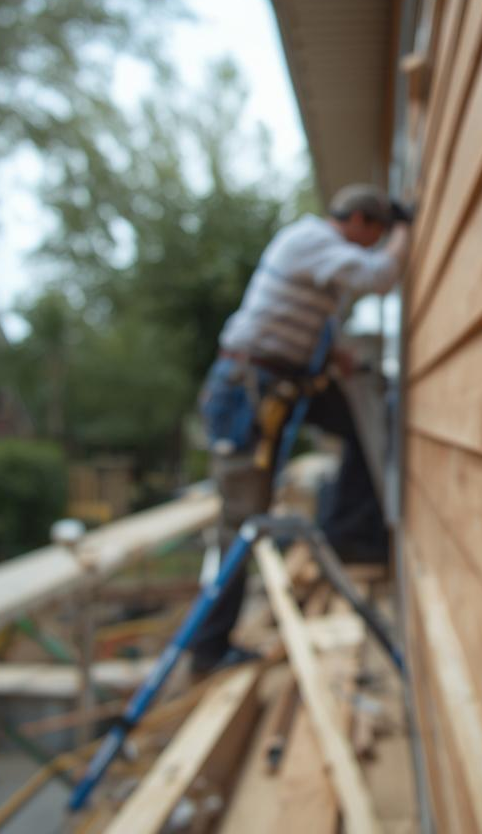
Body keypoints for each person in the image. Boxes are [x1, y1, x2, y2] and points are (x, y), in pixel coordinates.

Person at [190, 183, 409, 675]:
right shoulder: (314, 241)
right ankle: (206, 649)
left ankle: (353, 533)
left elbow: (304, 316)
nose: (373, 245)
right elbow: (380, 276)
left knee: (361, 427)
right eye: (375, 234)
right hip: (251, 390)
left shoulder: (320, 255)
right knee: (242, 520)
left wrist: (335, 356)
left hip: (280, 386)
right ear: (360, 221)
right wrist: (406, 232)